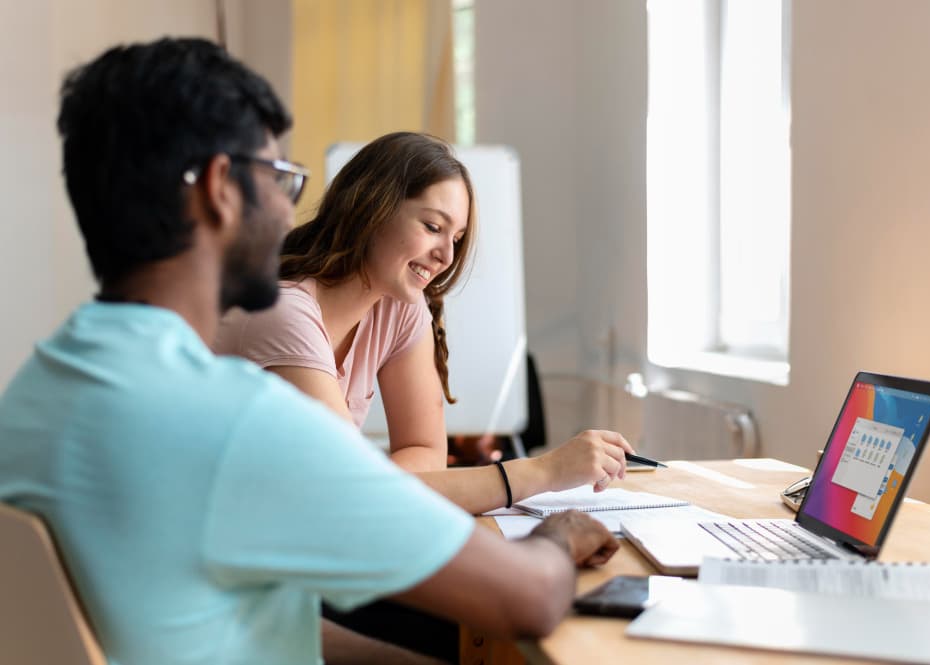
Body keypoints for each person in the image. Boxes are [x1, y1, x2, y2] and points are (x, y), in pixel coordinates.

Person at [0, 38, 620, 665]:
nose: (289, 209)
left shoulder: (34, 392)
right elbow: (530, 599)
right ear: (222, 188)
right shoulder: (245, 421)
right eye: (279, 178)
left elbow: (226, 616)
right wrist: (559, 532)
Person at [214, 131, 635, 517]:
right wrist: (543, 473)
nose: (447, 257)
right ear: (369, 207)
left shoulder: (398, 307)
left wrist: (376, 489)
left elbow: (421, 451)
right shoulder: (283, 311)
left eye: (455, 238)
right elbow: (354, 490)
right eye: (433, 226)